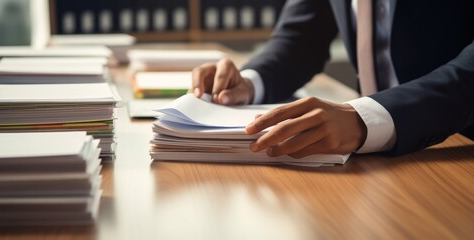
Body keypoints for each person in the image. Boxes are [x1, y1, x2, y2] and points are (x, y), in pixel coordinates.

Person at [189, 0, 474, 159]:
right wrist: (250, 82)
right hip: (374, 159)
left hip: (457, 151)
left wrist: (366, 119)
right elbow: (302, 37)